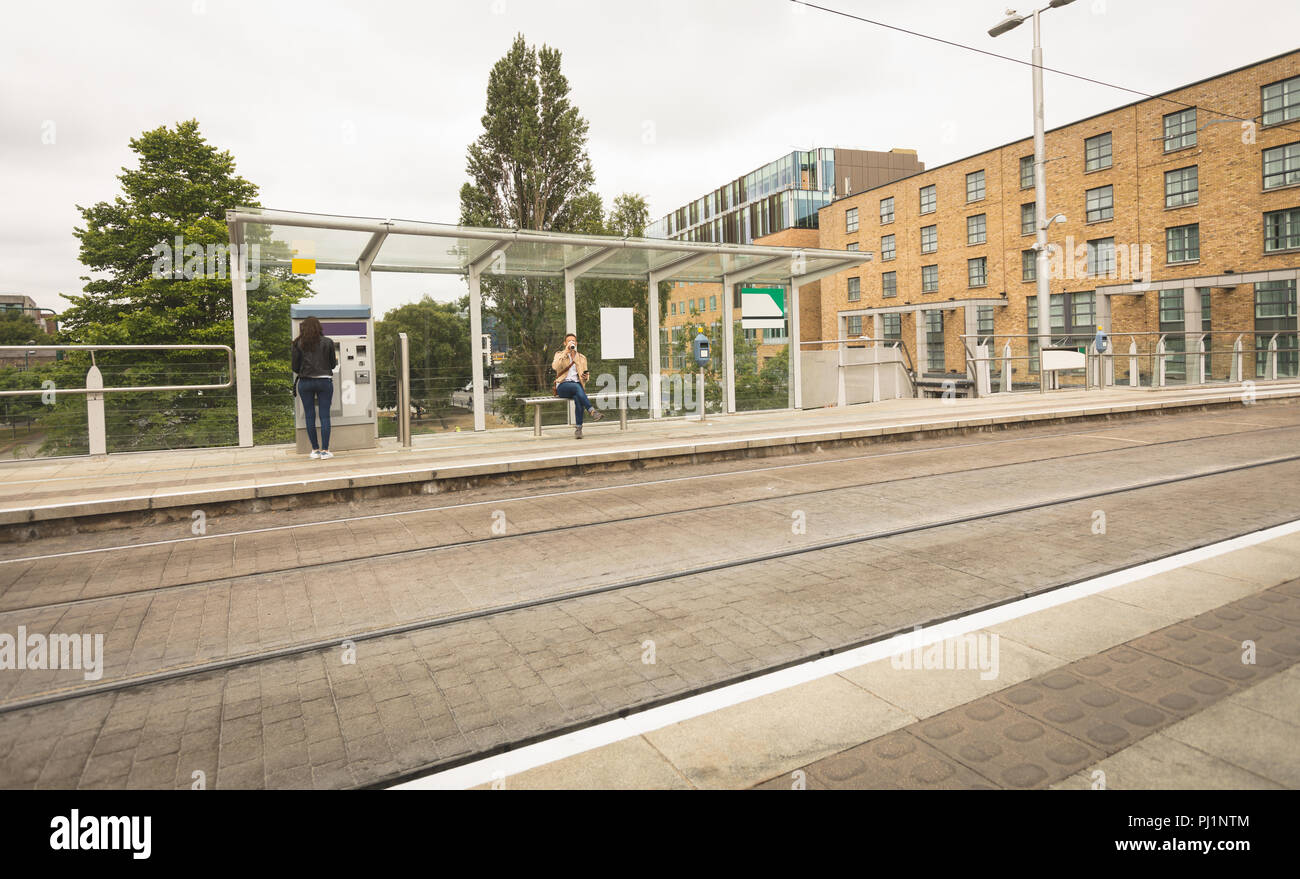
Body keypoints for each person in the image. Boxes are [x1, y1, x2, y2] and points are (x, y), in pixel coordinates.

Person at [291, 316, 338, 459]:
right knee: (324, 416)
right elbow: (333, 364)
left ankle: (315, 450)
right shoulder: (328, 342)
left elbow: (294, 367)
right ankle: (325, 451)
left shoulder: (297, 343)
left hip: (305, 382)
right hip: (324, 381)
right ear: (319, 327)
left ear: (303, 328)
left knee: (309, 416)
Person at [551, 333, 603, 439]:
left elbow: (586, 375)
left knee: (578, 397)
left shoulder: (582, 358)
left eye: (573, 341)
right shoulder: (559, 354)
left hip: (577, 386)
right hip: (562, 386)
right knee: (577, 388)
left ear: (576, 343)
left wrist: (585, 377)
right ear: (565, 343)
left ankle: (579, 429)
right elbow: (555, 367)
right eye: (569, 341)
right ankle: (592, 411)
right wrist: (566, 351)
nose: (571, 342)